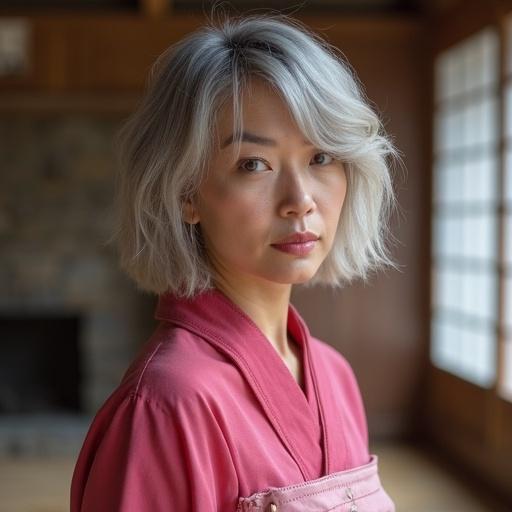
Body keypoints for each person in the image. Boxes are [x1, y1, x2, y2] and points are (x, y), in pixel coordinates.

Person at [70, 9, 401, 512]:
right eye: (253, 164)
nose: (300, 199)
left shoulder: (334, 375)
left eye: (321, 157)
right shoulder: (166, 404)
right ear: (186, 193)